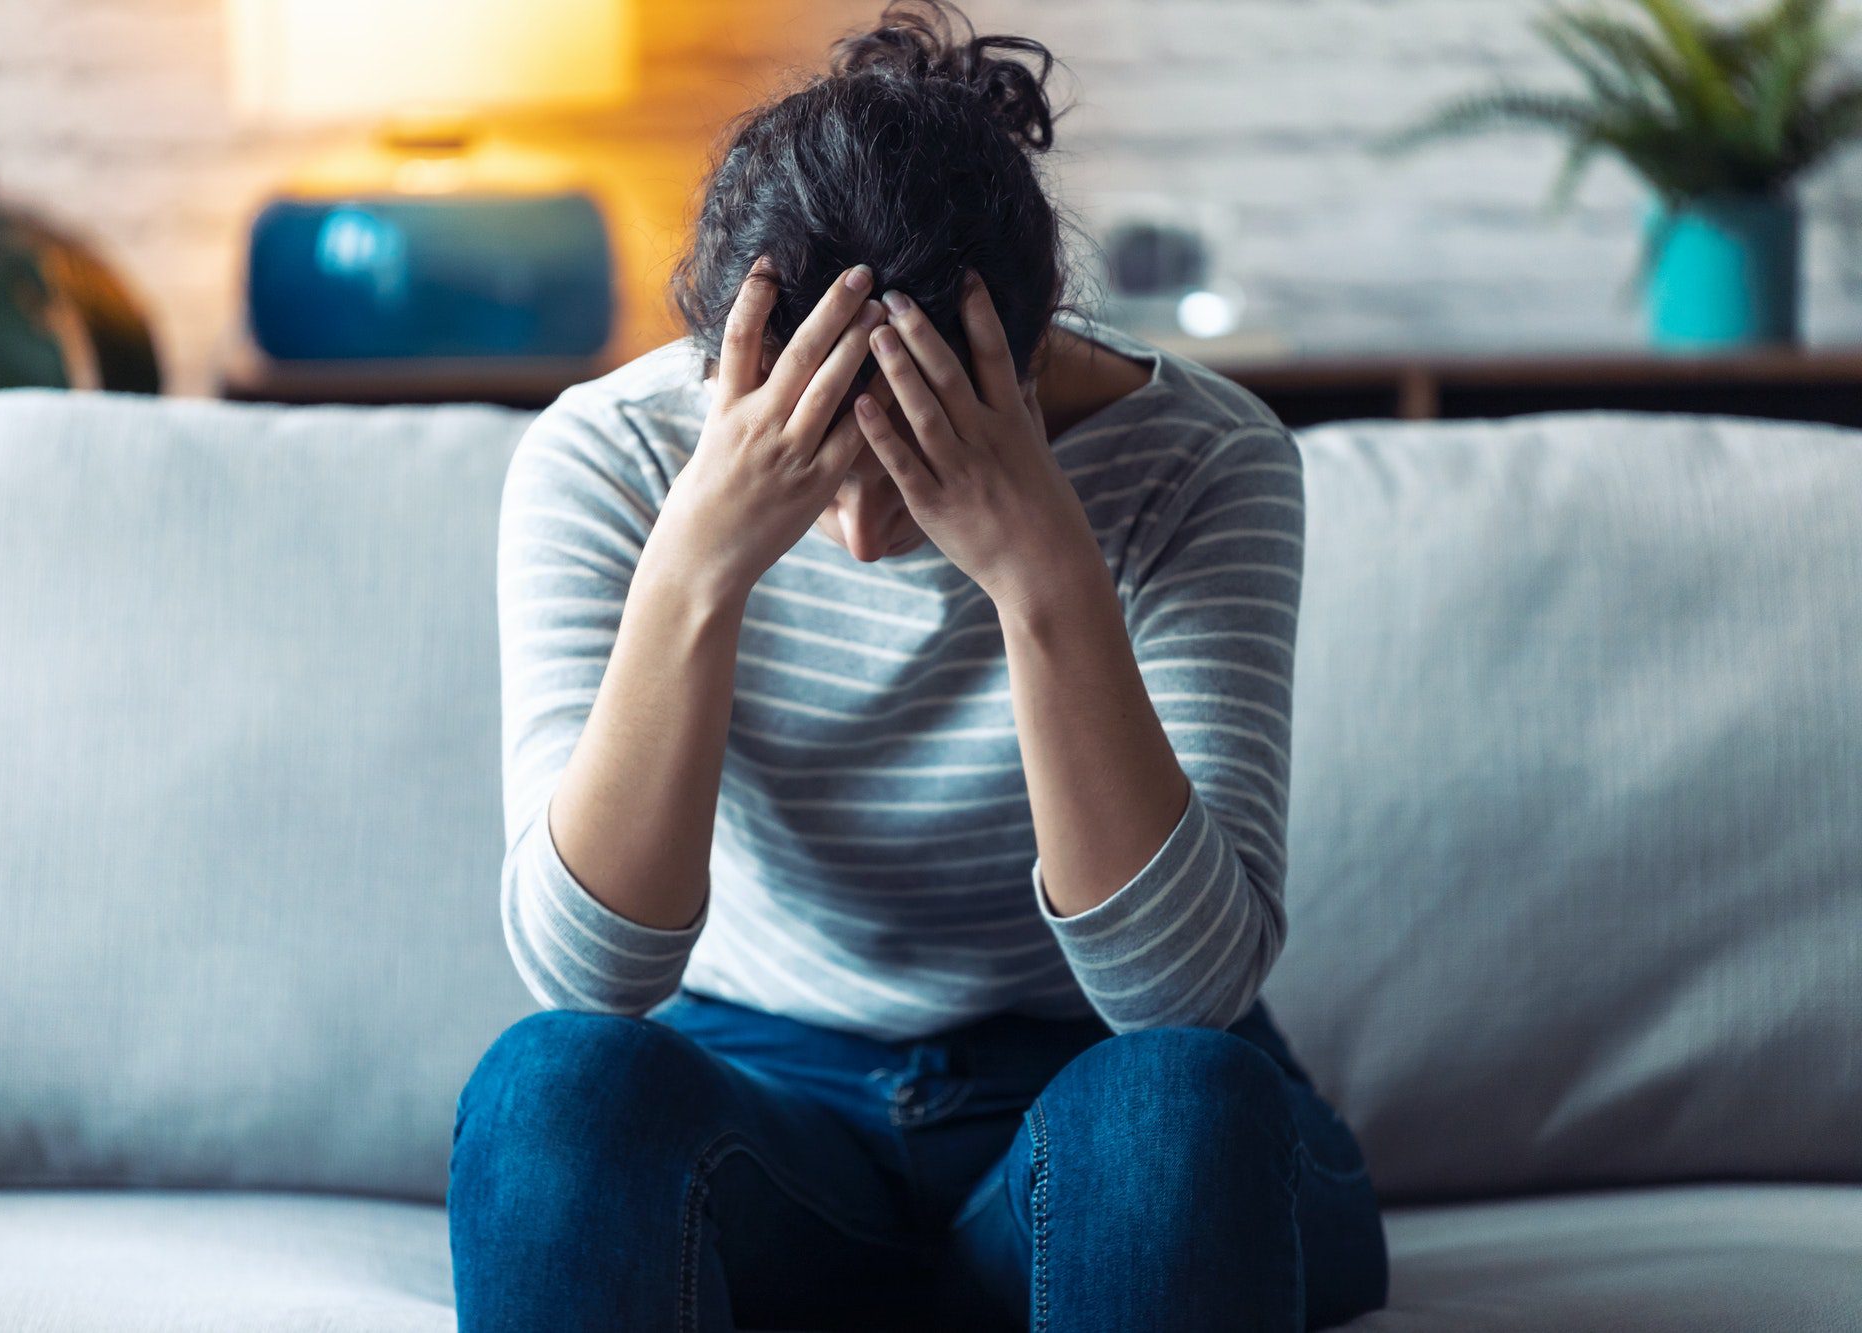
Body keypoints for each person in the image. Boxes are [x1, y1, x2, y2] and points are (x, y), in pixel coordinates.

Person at [449, 3, 1390, 1329]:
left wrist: (1043, 574)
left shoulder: (1204, 462)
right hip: (766, 1108)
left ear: (1031, 346)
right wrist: (697, 568)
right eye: (815, 448)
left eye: (908, 447)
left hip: (1102, 1095)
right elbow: (590, 975)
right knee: (550, 1087)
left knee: (1182, 1102)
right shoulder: (605, 457)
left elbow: (1185, 992)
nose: (861, 530)